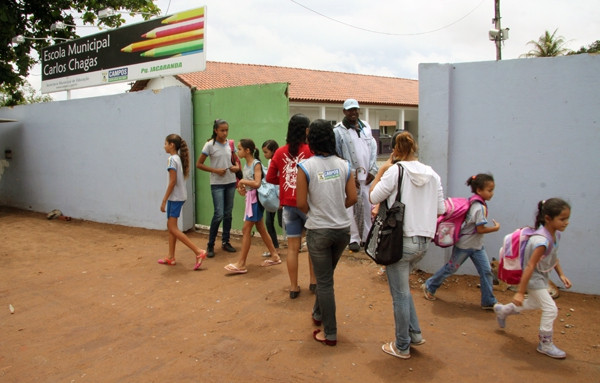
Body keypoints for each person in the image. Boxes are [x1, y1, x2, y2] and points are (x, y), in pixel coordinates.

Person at [369, 131, 445, 360]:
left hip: (400, 242)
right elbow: (441, 209)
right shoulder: (433, 174)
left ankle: (402, 345)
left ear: (395, 150)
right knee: (404, 290)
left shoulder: (395, 171)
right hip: (423, 242)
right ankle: (414, 333)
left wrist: (382, 170)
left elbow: (373, 196)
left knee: (400, 294)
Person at [297, 119, 357, 346]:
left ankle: (329, 333)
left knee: (324, 282)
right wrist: (336, 208)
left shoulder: (305, 167)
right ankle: (318, 313)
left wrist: (317, 212)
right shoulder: (344, 165)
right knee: (326, 276)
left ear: (311, 140)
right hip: (342, 231)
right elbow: (352, 198)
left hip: (318, 231)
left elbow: (301, 203)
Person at [493, 198, 572, 359]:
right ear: (548, 218)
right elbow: (529, 266)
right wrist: (520, 292)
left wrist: (561, 274)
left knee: (535, 303)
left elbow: (553, 257)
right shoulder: (540, 241)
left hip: (541, 276)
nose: (566, 223)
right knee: (551, 309)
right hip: (532, 279)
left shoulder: (554, 235)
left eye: (567, 219)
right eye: (562, 219)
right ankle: (545, 344)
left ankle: (503, 310)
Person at [421, 174, 500, 309]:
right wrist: (495, 228)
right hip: (466, 245)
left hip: (475, 245)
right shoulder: (479, 208)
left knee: (486, 271)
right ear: (479, 191)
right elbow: (480, 229)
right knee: (451, 268)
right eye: (489, 190)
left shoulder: (474, 202)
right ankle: (429, 285)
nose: (492, 193)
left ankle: (488, 301)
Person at [266, 114, 316, 299]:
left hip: (288, 206)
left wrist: (284, 179)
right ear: (306, 131)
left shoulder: (279, 152)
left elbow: (270, 178)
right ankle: (314, 282)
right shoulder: (311, 150)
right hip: (308, 205)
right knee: (312, 246)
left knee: (292, 248)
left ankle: (294, 287)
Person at [224, 139, 282, 274]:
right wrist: (242, 188)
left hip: (255, 201)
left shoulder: (256, 164)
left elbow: (257, 183)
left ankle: (242, 263)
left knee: (246, 229)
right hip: (251, 199)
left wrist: (243, 181)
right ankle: (274, 255)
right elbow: (250, 185)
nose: (237, 152)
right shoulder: (246, 165)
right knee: (261, 227)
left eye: (239, 149)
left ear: (247, 150)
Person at [333, 99, 378, 252]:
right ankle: (353, 238)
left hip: (367, 175)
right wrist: (349, 175)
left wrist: (372, 169)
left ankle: (367, 236)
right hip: (350, 176)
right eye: (350, 110)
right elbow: (337, 154)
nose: (353, 113)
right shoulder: (338, 131)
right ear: (344, 112)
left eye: (355, 109)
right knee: (350, 207)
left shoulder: (366, 127)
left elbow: (373, 148)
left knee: (367, 204)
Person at [158, 134, 207, 270]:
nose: (164, 146)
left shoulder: (171, 160)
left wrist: (164, 200)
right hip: (178, 197)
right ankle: (171, 257)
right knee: (171, 228)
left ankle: (198, 251)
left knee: (172, 228)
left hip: (175, 198)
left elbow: (172, 181)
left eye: (166, 143)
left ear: (172, 145)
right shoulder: (177, 158)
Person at [196, 119, 239, 258]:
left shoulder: (230, 144)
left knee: (228, 214)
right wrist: (214, 170)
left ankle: (226, 242)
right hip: (217, 184)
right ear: (216, 130)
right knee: (219, 213)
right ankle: (210, 244)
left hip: (231, 182)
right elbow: (199, 164)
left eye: (226, 130)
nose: (225, 133)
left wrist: (236, 168)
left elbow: (237, 161)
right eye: (222, 130)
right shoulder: (210, 145)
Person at [261, 139, 283, 257]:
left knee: (282, 223)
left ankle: (299, 243)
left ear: (273, 151)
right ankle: (275, 248)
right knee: (269, 222)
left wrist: (280, 199)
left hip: (280, 197)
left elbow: (280, 180)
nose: (265, 155)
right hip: (272, 196)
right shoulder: (270, 161)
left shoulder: (280, 161)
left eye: (266, 152)